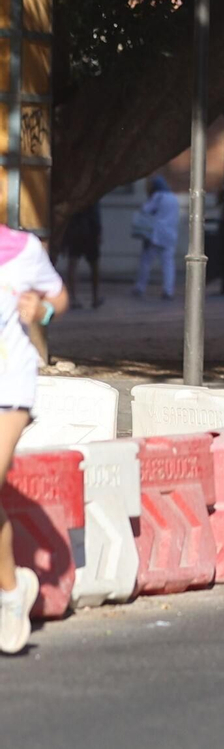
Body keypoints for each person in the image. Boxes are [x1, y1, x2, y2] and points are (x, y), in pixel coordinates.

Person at [0, 224, 69, 653]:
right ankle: (12, 584)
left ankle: (8, 599)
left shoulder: (21, 248)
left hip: (9, 386)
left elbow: (58, 300)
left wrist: (39, 311)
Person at [132, 175, 180, 299]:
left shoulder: (158, 197)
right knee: (168, 264)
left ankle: (140, 287)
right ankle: (168, 290)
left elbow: (145, 210)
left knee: (146, 262)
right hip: (170, 236)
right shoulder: (174, 198)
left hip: (155, 235)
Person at [60, 204, 103, 310]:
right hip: (89, 231)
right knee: (93, 266)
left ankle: (74, 297)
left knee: (73, 264)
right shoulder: (92, 195)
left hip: (77, 231)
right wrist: (98, 232)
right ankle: (94, 297)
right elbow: (96, 215)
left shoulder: (75, 196)